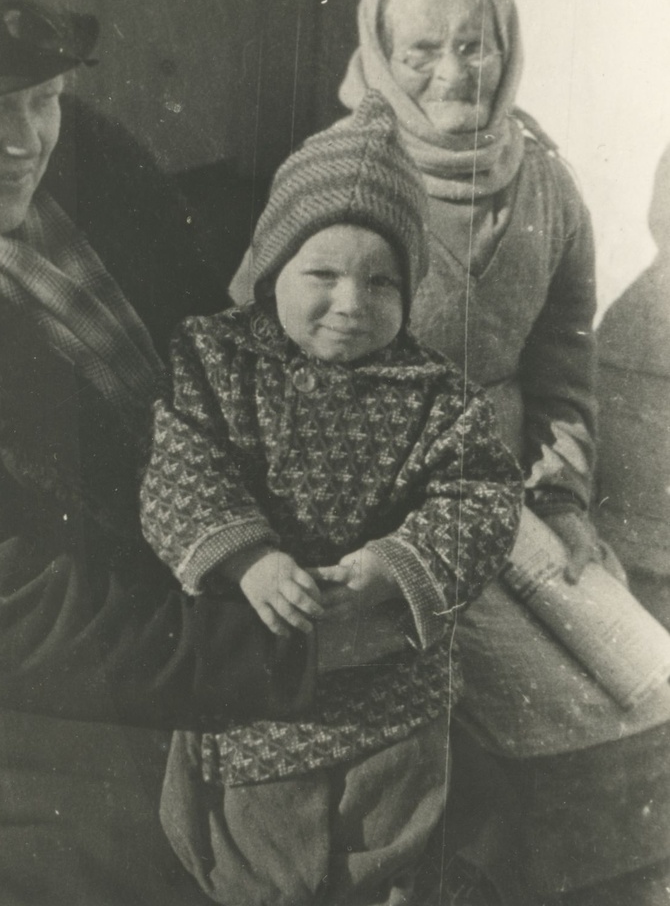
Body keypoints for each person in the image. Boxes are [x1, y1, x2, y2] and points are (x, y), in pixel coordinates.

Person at [0, 0, 409, 906]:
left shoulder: (90, 159)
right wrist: (288, 653)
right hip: (41, 720)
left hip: (211, 585)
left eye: (46, 98)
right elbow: (2, 608)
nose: (29, 143)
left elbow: (216, 346)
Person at [332, 0, 670, 906]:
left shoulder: (547, 182)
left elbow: (564, 363)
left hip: (516, 500)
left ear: (506, 46)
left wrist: (562, 495)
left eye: (473, 45)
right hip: (394, 508)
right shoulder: (342, 173)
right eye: (421, 51)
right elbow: (273, 359)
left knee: (649, 687)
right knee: (526, 736)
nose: (451, 73)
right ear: (381, 53)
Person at [140, 91, 522, 906]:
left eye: (382, 281)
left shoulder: (436, 396)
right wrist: (248, 557)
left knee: (388, 844)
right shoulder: (216, 360)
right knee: (254, 853)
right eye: (322, 274)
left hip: (391, 674)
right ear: (274, 267)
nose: (351, 303)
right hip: (260, 670)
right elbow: (179, 462)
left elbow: (483, 498)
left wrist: (396, 564)